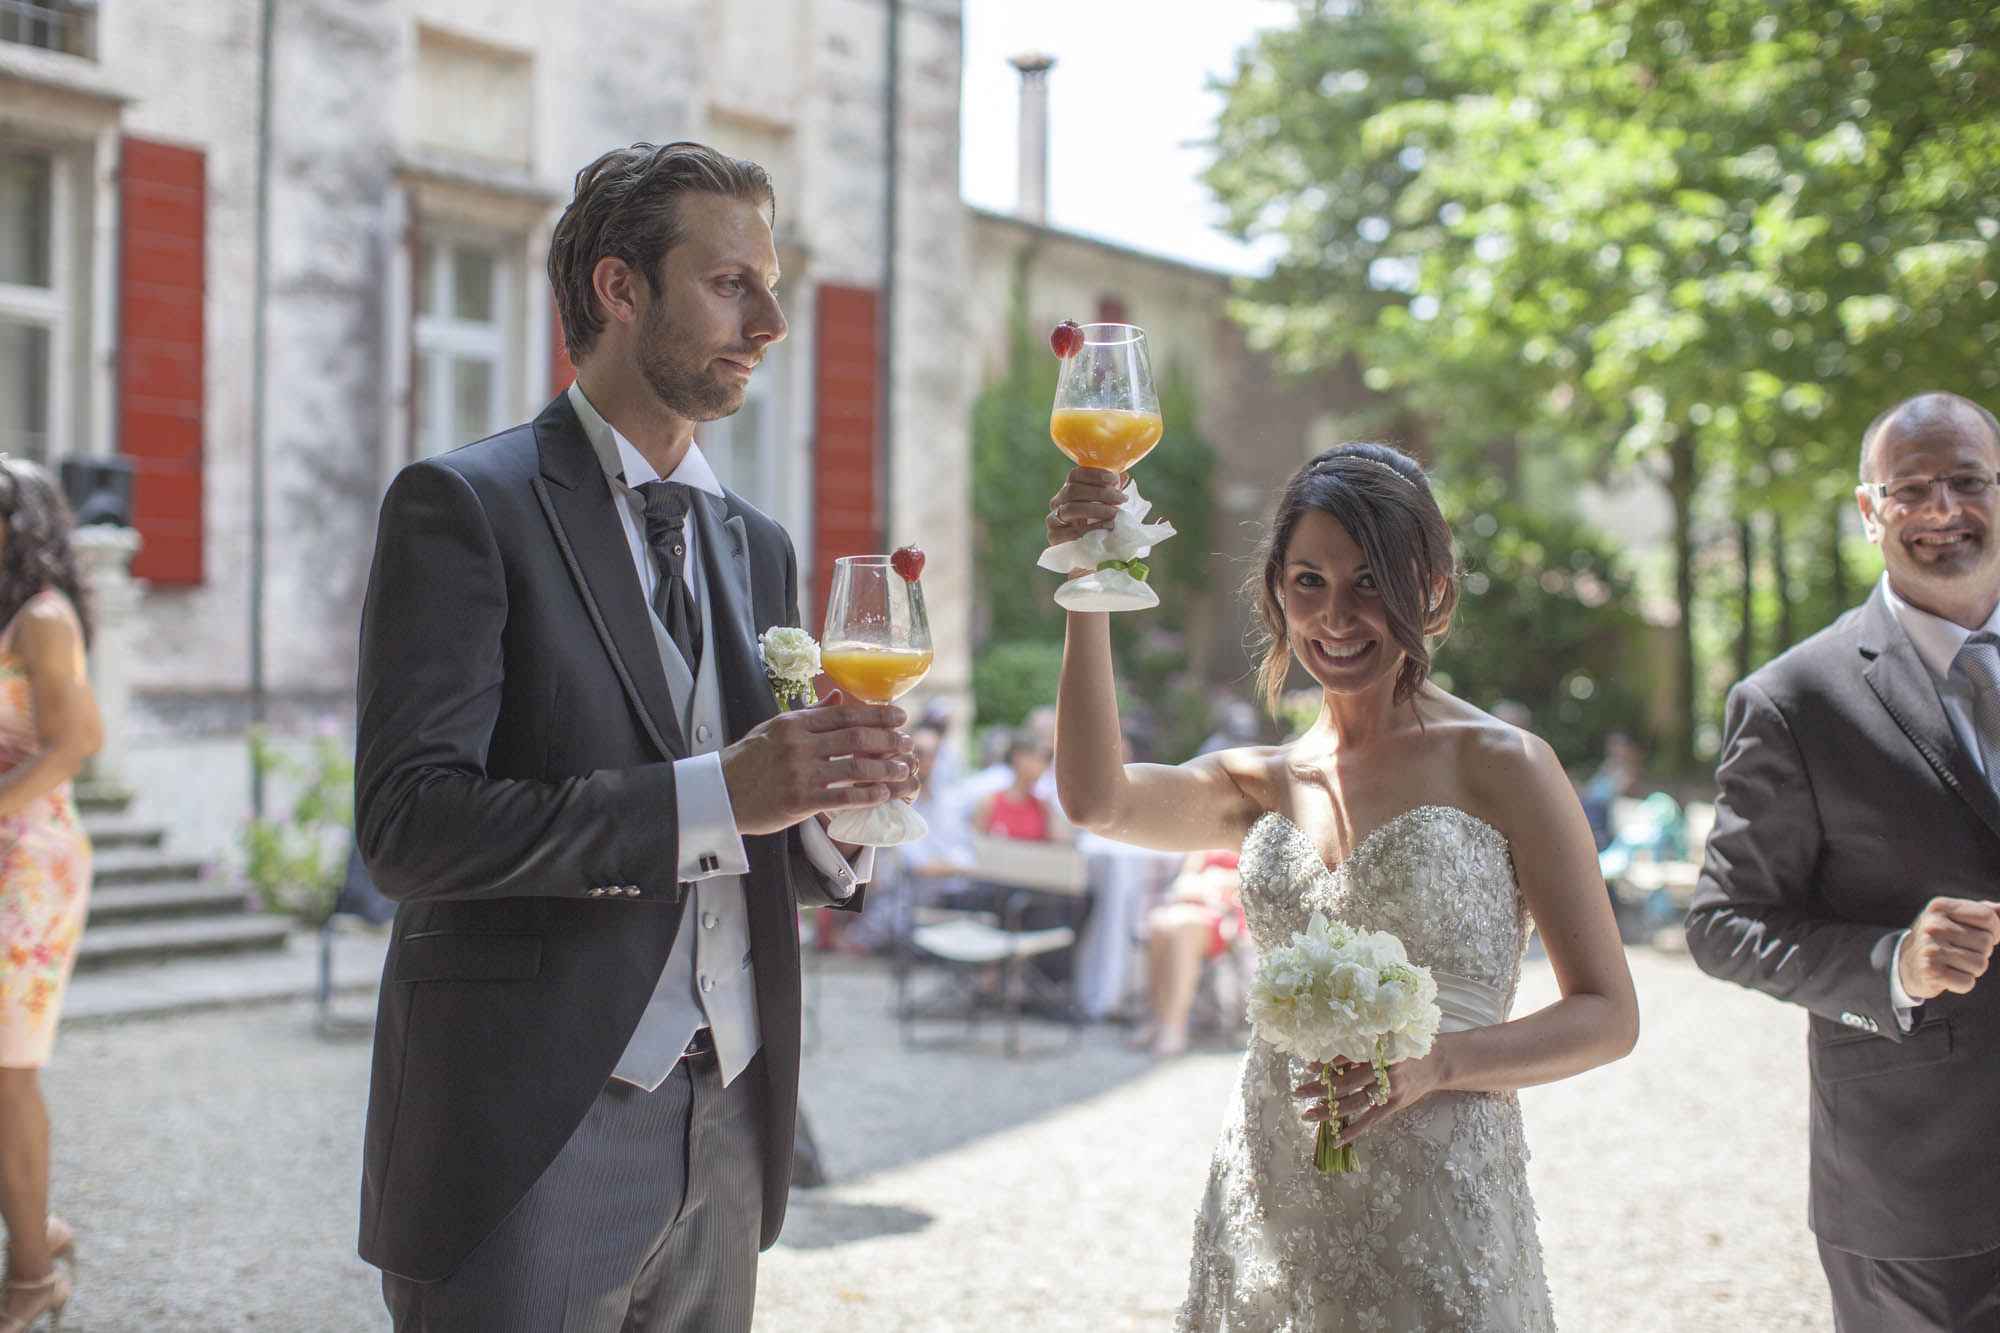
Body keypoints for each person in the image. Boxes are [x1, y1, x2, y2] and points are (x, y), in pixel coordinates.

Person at [353, 142, 916, 1333]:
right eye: (730, 285)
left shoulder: (753, 542)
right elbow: (409, 829)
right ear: (619, 289)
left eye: (773, 287)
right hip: (531, 1125)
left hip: (729, 1126)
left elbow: (759, 828)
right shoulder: (465, 506)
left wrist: (834, 809)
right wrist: (716, 793)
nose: (768, 322)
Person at [1047, 443, 1638, 1330]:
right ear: (1276, 592)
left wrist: (1440, 1063)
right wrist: (1089, 587)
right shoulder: (1259, 781)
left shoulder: (1506, 765)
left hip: (1439, 1208)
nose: (1336, 616)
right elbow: (1099, 798)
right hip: (1271, 1186)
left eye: (1370, 582)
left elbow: (1608, 1013)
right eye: (1309, 582)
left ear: (1432, 588)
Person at [1684, 391, 2000, 1331]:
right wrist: (1891, 963)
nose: (1943, 507)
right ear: (1870, 512)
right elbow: (1721, 925)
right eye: (1910, 488)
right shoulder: (1792, 702)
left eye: (1967, 480)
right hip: (1918, 1192)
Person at [0, 460, 98, 1333]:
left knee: (6, 1069)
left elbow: (75, 743)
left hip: (26, 865)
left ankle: (31, 1277)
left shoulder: (42, 617)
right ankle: (37, 1227)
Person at [1126, 849, 1247, 1059]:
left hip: (1228, 916)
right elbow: (1184, 879)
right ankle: (1159, 1016)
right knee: (1159, 922)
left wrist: (1220, 879)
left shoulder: (1249, 837)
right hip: (1196, 906)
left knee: (1183, 925)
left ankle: (1174, 1025)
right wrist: (1199, 884)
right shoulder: (1204, 842)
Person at [970, 728, 1060, 842]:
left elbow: (1062, 845)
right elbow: (976, 848)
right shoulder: (988, 803)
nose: (1046, 766)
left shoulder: (1045, 807)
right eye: (1042, 758)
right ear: (1018, 757)